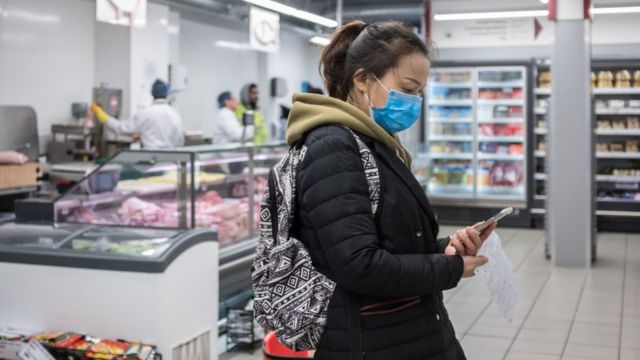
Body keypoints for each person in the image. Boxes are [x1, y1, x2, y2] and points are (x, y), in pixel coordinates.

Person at [286, 20, 496, 359]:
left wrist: (446, 249)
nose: (414, 102)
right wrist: (450, 269)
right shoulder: (334, 147)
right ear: (363, 79)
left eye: (419, 92)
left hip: (402, 331)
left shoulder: (374, 144)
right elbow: (359, 265)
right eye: (408, 88)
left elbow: (391, 241)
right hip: (371, 339)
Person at [91, 79, 184, 150]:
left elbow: (122, 128)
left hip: (150, 159)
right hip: (170, 160)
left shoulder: (145, 113)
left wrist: (101, 115)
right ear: (167, 94)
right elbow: (179, 140)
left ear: (152, 93)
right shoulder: (174, 114)